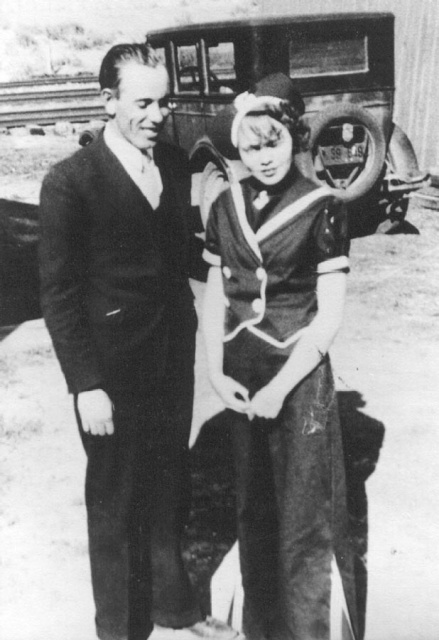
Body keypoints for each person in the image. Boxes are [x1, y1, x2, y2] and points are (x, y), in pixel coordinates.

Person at [39, 43, 238, 640]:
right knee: (116, 500)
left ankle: (173, 609)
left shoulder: (175, 165)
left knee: (170, 482)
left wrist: (247, 276)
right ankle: (120, 629)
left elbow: (186, 256)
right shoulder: (70, 182)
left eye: (164, 101)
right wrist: (85, 386)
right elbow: (59, 295)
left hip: (170, 358)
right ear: (109, 101)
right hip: (111, 372)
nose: (157, 114)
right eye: (143, 102)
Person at [202, 73, 359, 640]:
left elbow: (330, 320)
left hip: (297, 383)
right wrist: (216, 373)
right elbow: (218, 291)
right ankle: (262, 628)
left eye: (274, 143)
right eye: (251, 147)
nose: (264, 157)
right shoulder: (224, 205)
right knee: (255, 513)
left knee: (304, 519)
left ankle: (311, 629)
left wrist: (280, 388)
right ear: (237, 148)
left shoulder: (324, 207)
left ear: (295, 139)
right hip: (243, 377)